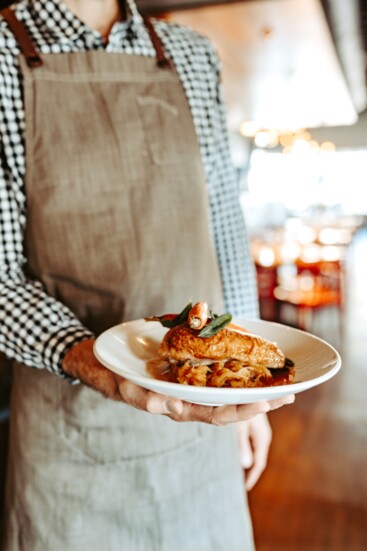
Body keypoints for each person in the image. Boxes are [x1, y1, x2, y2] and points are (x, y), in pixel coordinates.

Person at [0, 1, 294, 549]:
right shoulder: (3, 56)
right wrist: (94, 361)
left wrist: (250, 389)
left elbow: (223, 220)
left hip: (205, 419)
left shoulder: (190, 54)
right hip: (73, 439)